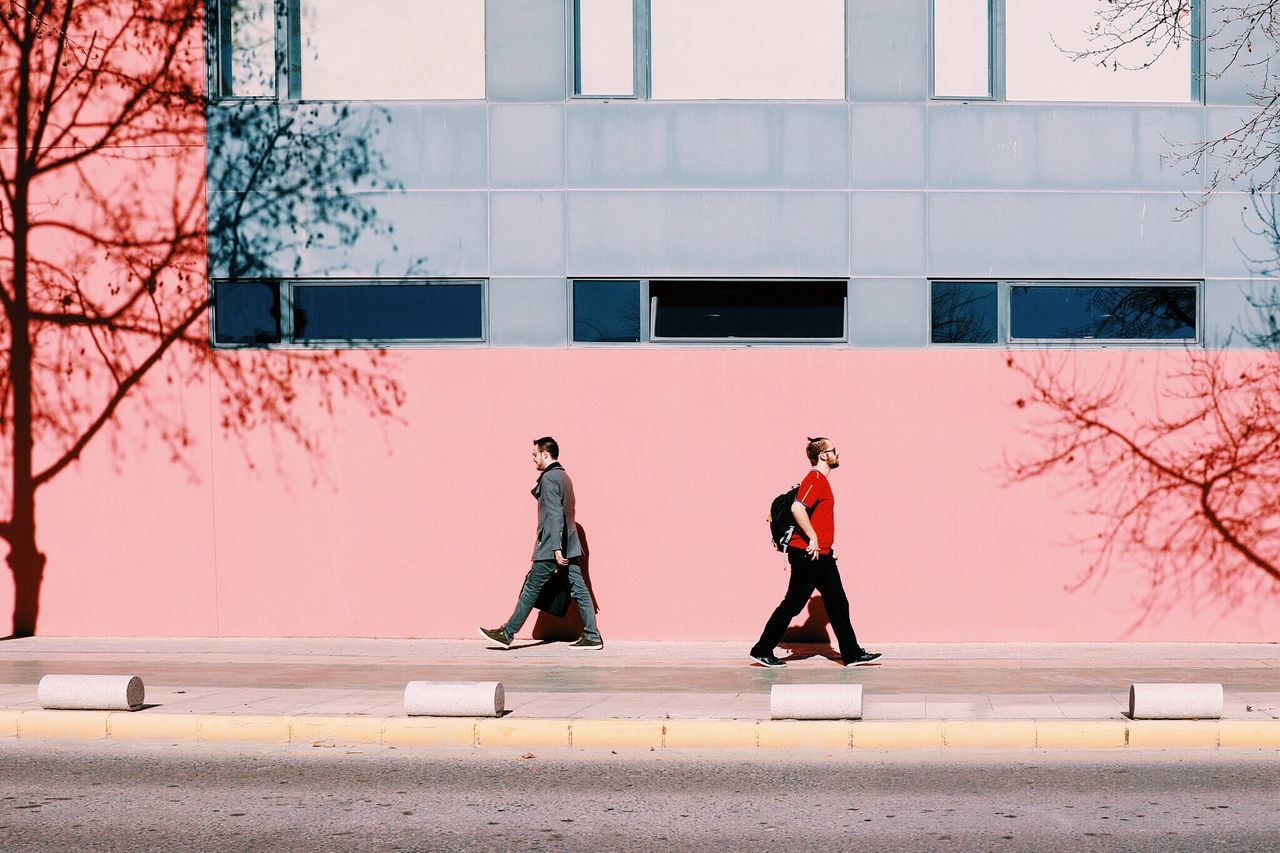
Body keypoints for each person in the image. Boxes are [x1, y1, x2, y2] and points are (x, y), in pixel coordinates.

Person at [749, 437, 880, 668]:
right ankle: (761, 650)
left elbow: (818, 518)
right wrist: (814, 538)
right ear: (822, 455)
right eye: (833, 450)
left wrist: (826, 547)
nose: (837, 454)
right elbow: (797, 507)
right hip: (807, 554)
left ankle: (852, 654)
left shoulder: (822, 481)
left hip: (822, 555)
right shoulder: (815, 478)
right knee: (793, 604)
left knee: (838, 603)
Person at [480, 437, 603, 650]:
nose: (533, 459)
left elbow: (555, 515)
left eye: (535, 455)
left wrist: (555, 547)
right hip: (570, 544)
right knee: (579, 589)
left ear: (545, 454)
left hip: (551, 547)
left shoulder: (549, 478)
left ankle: (507, 633)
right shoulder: (564, 477)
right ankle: (592, 635)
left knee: (531, 588)